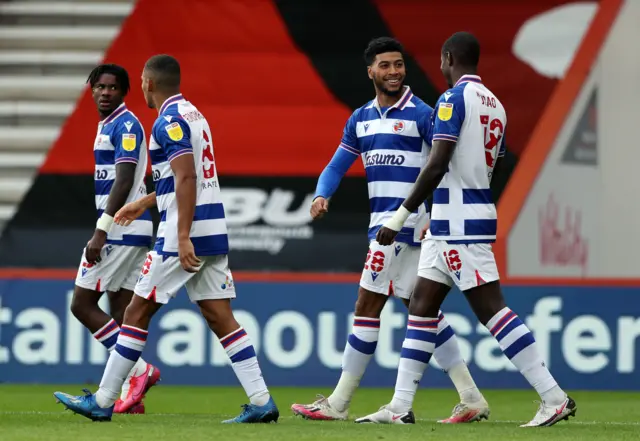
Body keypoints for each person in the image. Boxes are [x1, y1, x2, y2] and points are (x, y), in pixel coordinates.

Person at [358, 31, 576, 427]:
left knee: (492, 311)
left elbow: (437, 163)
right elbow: (492, 163)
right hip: (453, 220)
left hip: (458, 223)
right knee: (421, 309)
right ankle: (399, 405)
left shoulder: (452, 100)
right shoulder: (496, 105)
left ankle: (553, 396)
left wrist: (399, 216)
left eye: (441, 62)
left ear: (447, 59)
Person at [54, 54, 279, 424]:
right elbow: (181, 178)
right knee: (220, 316)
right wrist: (143, 202)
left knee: (136, 312)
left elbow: (187, 177)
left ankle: (104, 400)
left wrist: (183, 234)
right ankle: (261, 401)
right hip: (214, 230)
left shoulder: (167, 121)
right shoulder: (194, 115)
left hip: (183, 235)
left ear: (147, 83)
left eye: (141, 82)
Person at [291, 37, 489, 425]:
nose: (394, 71)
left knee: (366, 306)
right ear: (371, 71)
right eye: (385, 65)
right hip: (385, 228)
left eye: (399, 64)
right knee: (422, 312)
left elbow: (443, 168)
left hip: (404, 229)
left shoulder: (422, 114)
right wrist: (321, 194)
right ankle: (471, 396)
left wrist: (430, 213)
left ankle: (339, 402)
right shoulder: (361, 118)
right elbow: (336, 164)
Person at [70, 64, 160, 415]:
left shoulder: (125, 125)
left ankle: (138, 372)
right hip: (131, 232)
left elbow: (123, 181)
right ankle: (130, 395)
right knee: (121, 312)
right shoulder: (109, 124)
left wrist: (101, 229)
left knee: (81, 304)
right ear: (91, 89)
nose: (105, 92)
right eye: (100, 87)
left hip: (119, 231)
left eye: (113, 88)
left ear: (124, 92)